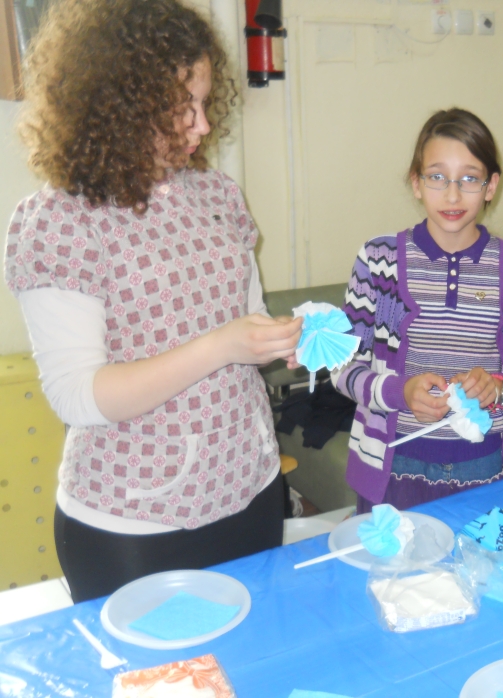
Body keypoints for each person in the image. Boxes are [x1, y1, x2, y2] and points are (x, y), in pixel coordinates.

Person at [3, 0, 302, 601]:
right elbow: (78, 395)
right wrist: (222, 346)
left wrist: (280, 342)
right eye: (182, 107)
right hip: (134, 521)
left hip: (251, 486)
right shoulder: (61, 222)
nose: (202, 126)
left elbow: (244, 327)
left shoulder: (217, 195)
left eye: (204, 104)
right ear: (119, 104)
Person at [330, 108, 503, 512]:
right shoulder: (378, 260)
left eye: (469, 178)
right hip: (393, 467)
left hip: (487, 465)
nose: (452, 195)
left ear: (491, 186)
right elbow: (343, 367)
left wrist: (499, 388)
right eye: (437, 177)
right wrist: (400, 392)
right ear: (416, 183)